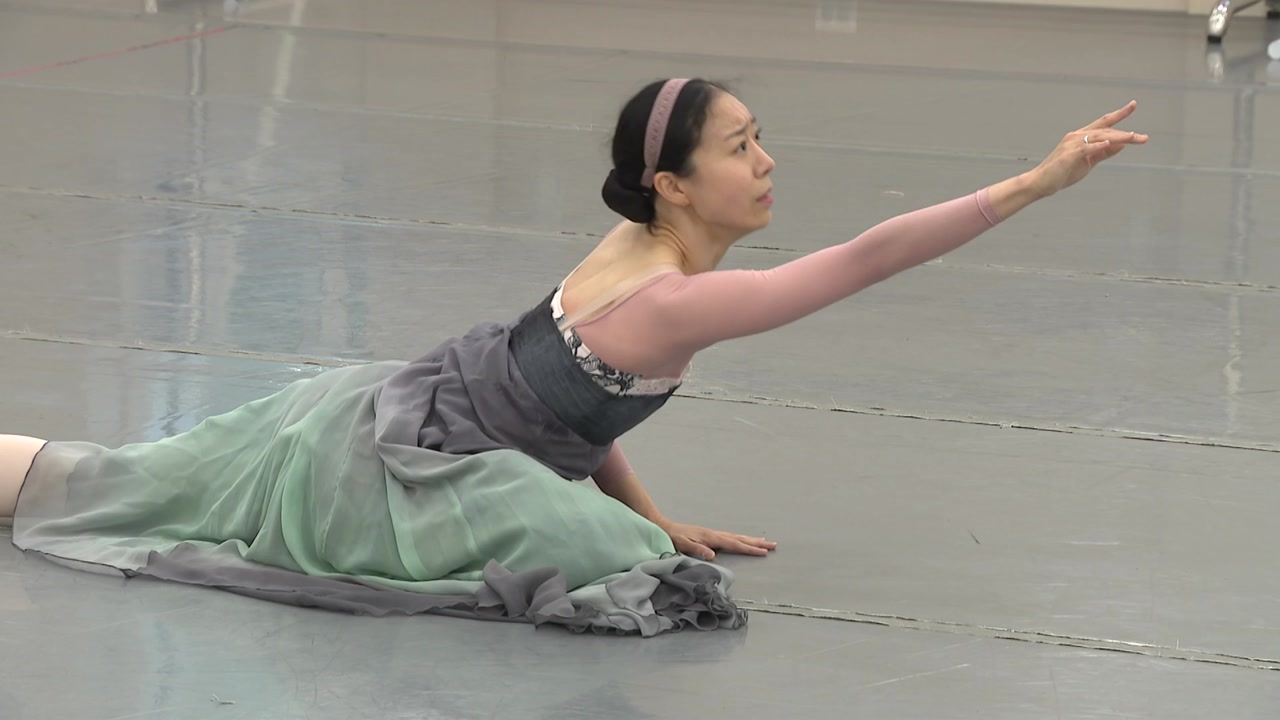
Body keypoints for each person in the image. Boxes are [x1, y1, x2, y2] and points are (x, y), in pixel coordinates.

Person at [0, 78, 1146, 635]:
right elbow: (861, 260)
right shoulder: (669, 298)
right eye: (739, 147)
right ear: (672, 183)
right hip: (405, 463)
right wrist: (1033, 182)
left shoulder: (638, 251)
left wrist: (655, 513)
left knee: (111, 480)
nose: (764, 162)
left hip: (380, 416)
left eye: (757, 139)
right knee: (113, 488)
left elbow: (569, 414)